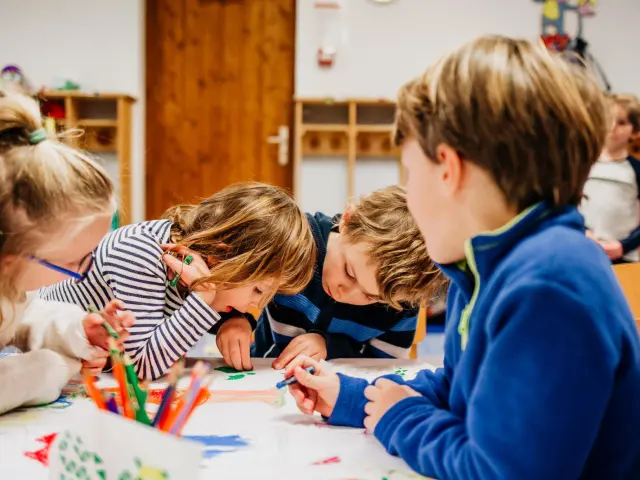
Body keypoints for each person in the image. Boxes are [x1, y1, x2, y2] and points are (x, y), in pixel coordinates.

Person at [284, 36, 640, 478]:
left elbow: (501, 472)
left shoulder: (549, 283)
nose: (410, 197)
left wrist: (400, 418)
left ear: (448, 169)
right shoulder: (488, 269)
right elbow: (461, 393)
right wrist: (356, 397)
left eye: (411, 174)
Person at [40, 182, 316, 379]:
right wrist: (203, 299)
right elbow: (140, 368)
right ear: (221, 257)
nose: (254, 306)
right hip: (29, 344)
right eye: (258, 290)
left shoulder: (193, 261)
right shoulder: (142, 253)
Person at [0, 90, 134, 414]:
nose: (83, 270)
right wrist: (52, 368)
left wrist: (79, 329)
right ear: (11, 259)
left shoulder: (11, 280)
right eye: (73, 262)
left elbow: (23, 317)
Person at [249, 185, 443, 369]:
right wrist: (233, 320)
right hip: (258, 375)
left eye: (371, 297)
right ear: (347, 221)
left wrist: (330, 347)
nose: (346, 293)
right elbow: (233, 273)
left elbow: (382, 369)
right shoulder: (296, 241)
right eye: (349, 272)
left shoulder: (399, 305)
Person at [582, 93, 640, 263]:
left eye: (621, 123)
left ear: (635, 131)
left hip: (623, 256)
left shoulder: (635, 169)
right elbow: (568, 205)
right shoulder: (582, 166)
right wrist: (583, 231)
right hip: (586, 251)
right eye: (608, 119)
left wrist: (624, 245)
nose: (612, 127)